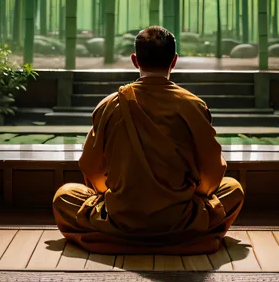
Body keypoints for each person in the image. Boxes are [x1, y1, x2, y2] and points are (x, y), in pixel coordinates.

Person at [52, 26, 244, 255]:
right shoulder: (193, 105)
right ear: (174, 61)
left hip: (119, 218)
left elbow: (91, 168)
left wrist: (116, 196)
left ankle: (119, 238)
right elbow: (213, 170)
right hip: (181, 218)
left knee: (64, 196)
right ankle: (181, 239)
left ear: (135, 60)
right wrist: (191, 197)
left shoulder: (110, 105)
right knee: (233, 190)